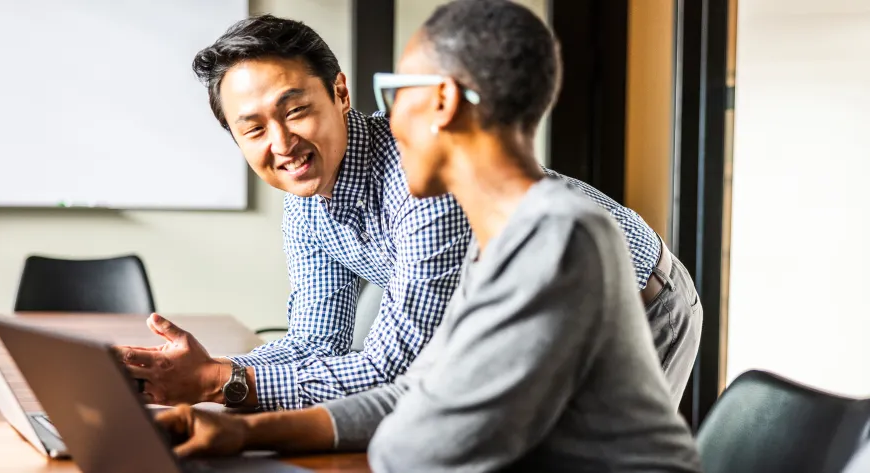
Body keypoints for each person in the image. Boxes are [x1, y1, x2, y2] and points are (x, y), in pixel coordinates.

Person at [150, 1, 703, 471]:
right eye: (252, 127)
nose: (387, 116)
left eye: (394, 91)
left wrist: (229, 384)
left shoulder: (533, 230)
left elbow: (422, 429)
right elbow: (409, 388)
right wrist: (244, 426)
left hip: (646, 296)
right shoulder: (491, 244)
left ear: (441, 103)